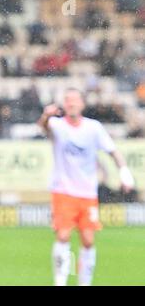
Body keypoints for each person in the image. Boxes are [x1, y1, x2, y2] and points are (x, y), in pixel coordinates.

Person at [37, 88, 135, 286]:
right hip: (63, 191)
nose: (71, 103)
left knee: (88, 240)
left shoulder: (93, 128)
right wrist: (46, 115)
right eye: (67, 100)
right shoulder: (57, 125)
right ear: (64, 105)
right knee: (63, 236)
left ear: (82, 104)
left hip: (87, 193)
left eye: (74, 100)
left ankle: (84, 282)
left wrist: (124, 172)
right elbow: (44, 128)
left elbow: (113, 151)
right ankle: (60, 282)